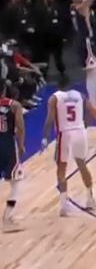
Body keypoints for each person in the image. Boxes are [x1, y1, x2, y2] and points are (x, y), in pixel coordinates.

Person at [41, 76, 96, 215]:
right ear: (70, 84)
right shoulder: (80, 95)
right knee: (82, 164)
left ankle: (64, 206)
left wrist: (45, 137)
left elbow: (50, 119)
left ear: (58, 85)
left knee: (61, 169)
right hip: (80, 132)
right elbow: (93, 112)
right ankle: (90, 199)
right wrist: (86, 124)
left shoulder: (54, 98)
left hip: (65, 134)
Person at [0, 84, 25, 232]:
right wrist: (21, 145)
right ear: (4, 90)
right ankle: (7, 217)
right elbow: (20, 128)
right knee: (15, 183)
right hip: (7, 144)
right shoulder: (14, 105)